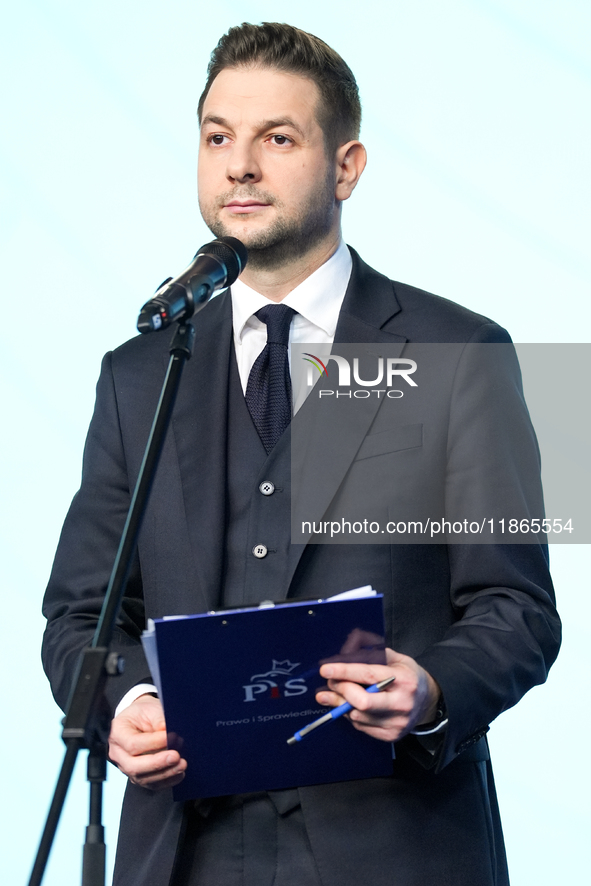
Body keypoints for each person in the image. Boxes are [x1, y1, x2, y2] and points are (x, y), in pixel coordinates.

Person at [42, 22, 561, 886]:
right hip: (180, 852)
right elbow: (77, 619)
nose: (238, 165)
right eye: (217, 138)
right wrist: (124, 703)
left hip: (397, 847)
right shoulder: (137, 372)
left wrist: (431, 691)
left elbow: (519, 608)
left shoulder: (467, 348)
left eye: (276, 138)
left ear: (346, 166)